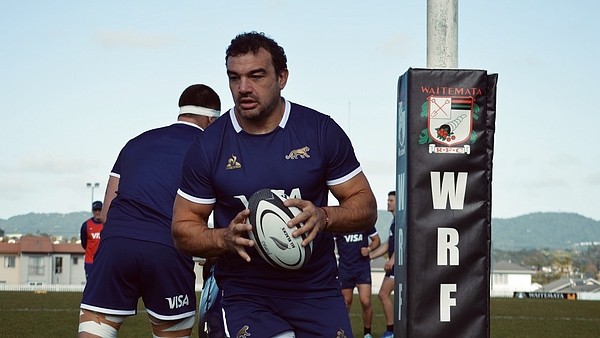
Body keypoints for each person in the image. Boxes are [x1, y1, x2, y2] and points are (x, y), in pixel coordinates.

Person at [171, 31, 378, 338]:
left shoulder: (320, 132)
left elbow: (365, 206)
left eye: (256, 76)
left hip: (316, 289)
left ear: (282, 77)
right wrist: (223, 238)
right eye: (234, 78)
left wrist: (324, 216)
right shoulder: (208, 146)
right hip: (245, 291)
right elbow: (182, 228)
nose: (243, 88)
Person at [77, 84, 221, 338]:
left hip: (116, 245)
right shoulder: (209, 146)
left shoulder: (136, 142)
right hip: (166, 248)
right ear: (211, 119)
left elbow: (108, 210)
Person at [335, 226, 380, 338]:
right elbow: (328, 244)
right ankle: (345, 333)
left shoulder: (364, 222)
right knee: (346, 302)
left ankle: (367, 333)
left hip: (362, 268)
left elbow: (376, 240)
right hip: (345, 269)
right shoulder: (339, 225)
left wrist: (369, 249)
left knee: (365, 301)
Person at [369, 191, 396, 338]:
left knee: (383, 294)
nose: (388, 202)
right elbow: (388, 244)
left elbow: (403, 243)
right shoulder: (394, 221)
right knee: (384, 294)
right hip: (394, 265)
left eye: (391, 200)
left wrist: (392, 259)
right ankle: (392, 330)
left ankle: (391, 331)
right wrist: (371, 256)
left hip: (397, 266)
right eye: (388, 200)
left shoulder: (401, 221)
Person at [80, 200, 103, 279]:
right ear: (93, 211)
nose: (97, 212)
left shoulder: (106, 225)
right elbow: (84, 243)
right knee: (90, 285)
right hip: (90, 261)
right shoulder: (86, 225)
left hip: (103, 261)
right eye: (95, 210)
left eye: (99, 210)